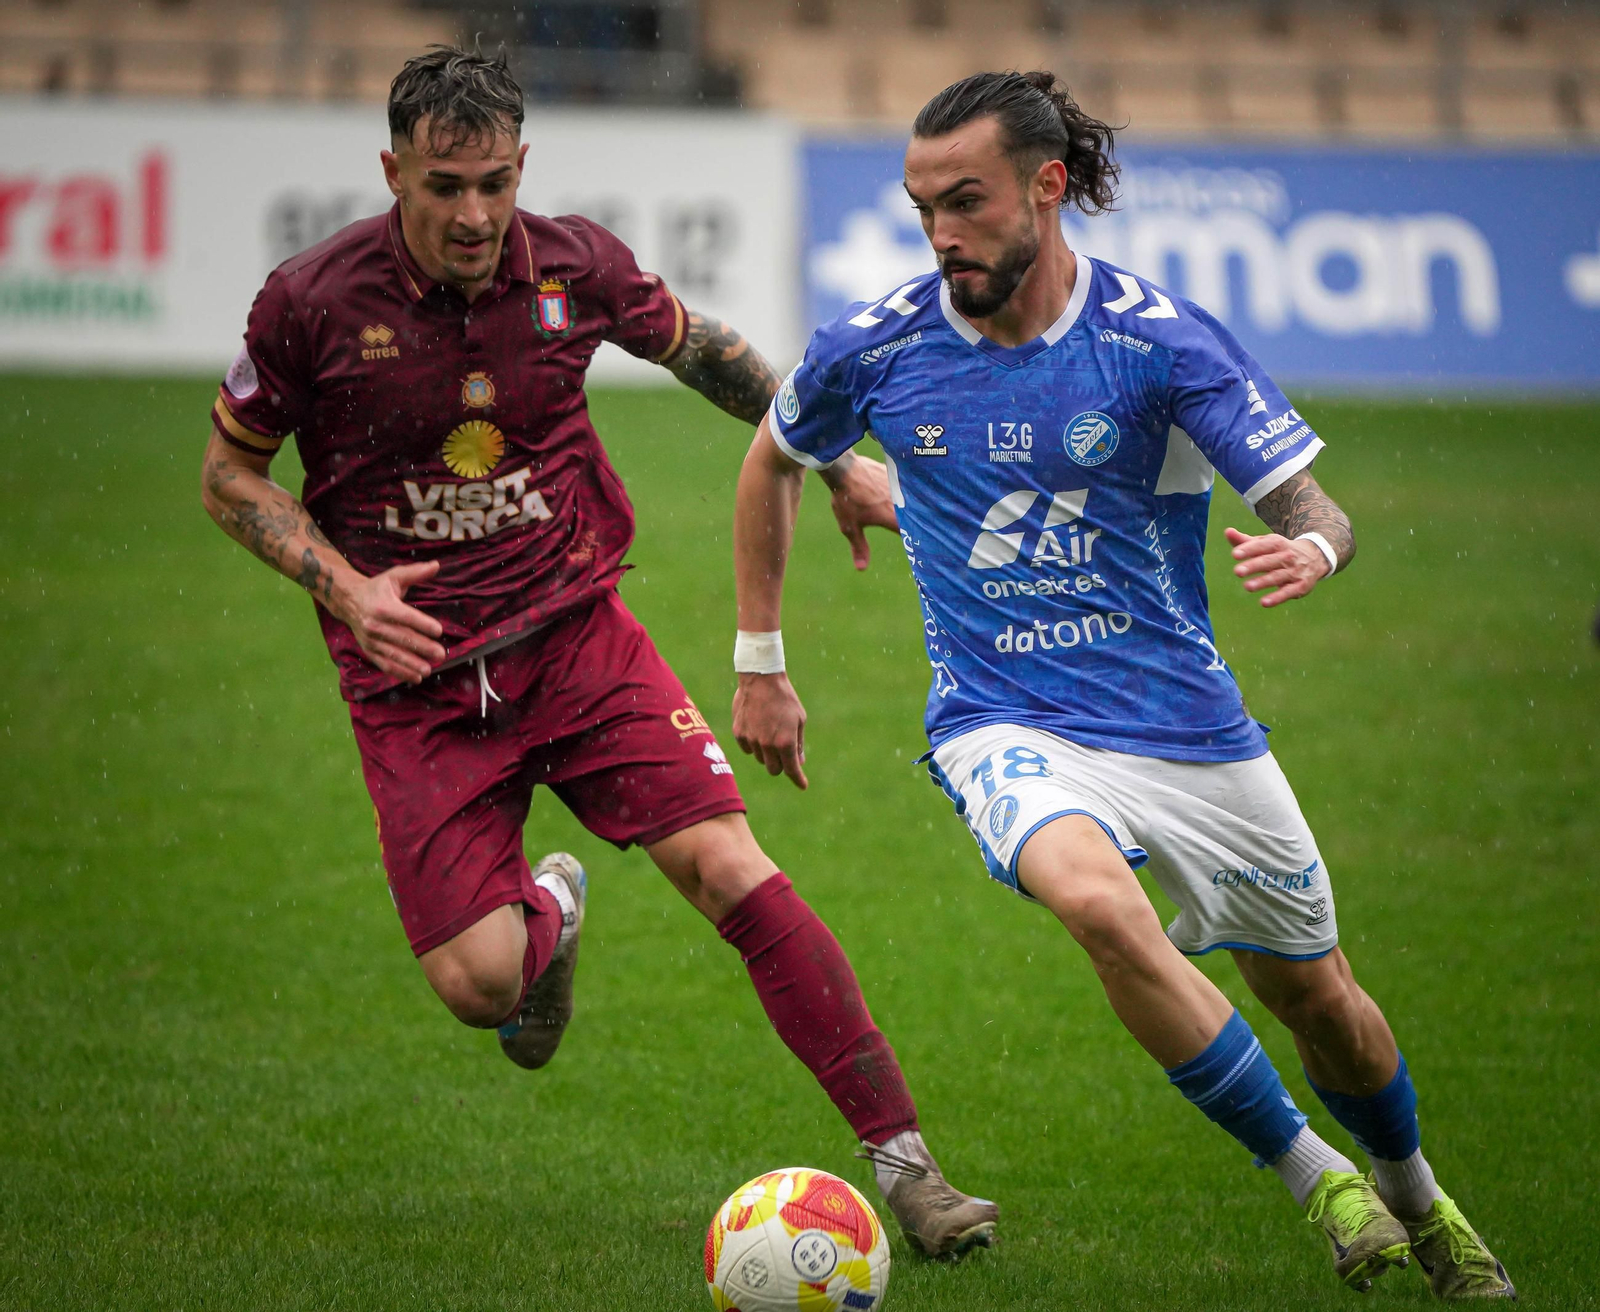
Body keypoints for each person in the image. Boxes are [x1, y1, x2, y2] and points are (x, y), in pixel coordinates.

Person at [199, 44, 997, 1259]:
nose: (475, 215)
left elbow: (707, 351)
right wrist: (348, 591)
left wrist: (835, 458)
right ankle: (551, 910)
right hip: (415, 681)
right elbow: (229, 475)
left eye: (495, 183)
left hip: (575, 635)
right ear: (394, 173)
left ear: (523, 167)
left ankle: (909, 1169)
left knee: (730, 868)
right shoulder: (309, 302)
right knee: (480, 985)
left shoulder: (572, 266)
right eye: (446, 186)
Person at [732, 70, 1513, 1299]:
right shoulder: (876, 344)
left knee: (1319, 1000)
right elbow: (774, 453)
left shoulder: (1158, 341)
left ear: (1046, 187)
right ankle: (1316, 1176)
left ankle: (1416, 1194)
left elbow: (1314, 509)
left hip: (1188, 729)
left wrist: (1310, 551)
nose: (940, 234)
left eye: (966, 202)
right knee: (1098, 906)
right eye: (922, 207)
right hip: (1001, 719)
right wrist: (760, 660)